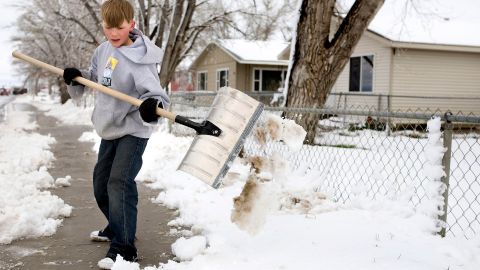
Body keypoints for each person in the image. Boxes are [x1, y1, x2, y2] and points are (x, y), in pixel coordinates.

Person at [62, 0, 169, 268]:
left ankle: (124, 248)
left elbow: (156, 96)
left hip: (133, 129)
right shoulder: (102, 50)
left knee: (119, 182)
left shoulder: (141, 59)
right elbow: (95, 79)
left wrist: (152, 107)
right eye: (108, 27)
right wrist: (77, 78)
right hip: (110, 129)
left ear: (132, 25)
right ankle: (117, 226)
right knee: (101, 184)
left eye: (119, 28)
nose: (113, 33)